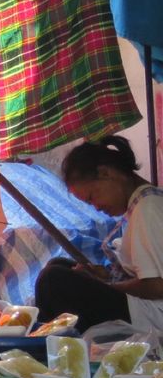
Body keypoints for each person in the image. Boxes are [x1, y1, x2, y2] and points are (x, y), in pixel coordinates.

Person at [35, 136, 163, 332]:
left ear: (106, 173)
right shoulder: (141, 204)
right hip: (146, 308)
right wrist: (106, 277)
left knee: (53, 280)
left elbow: (156, 286)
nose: (96, 207)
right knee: (59, 265)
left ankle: (48, 345)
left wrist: (107, 286)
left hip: (153, 316)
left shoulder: (148, 207)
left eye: (92, 197)